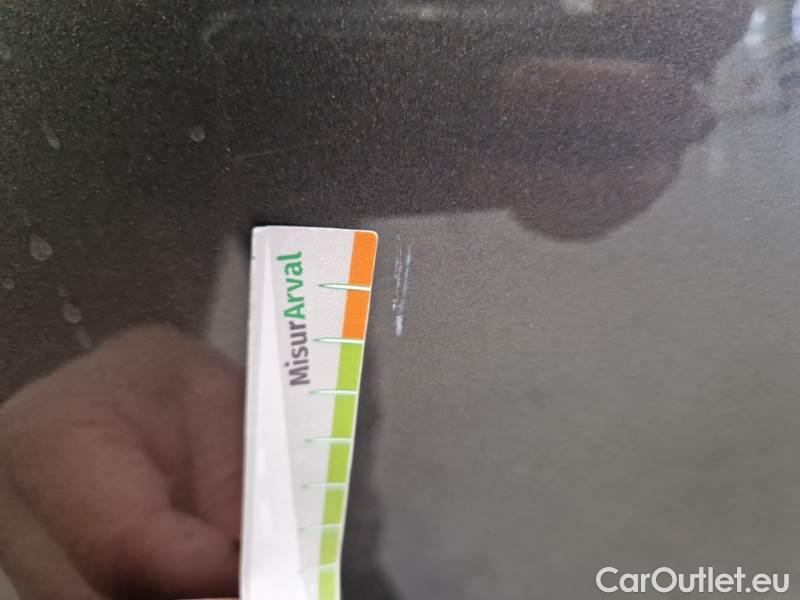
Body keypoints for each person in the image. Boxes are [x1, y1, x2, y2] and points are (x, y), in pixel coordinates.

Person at [0, 1, 754, 598]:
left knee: (298, 313)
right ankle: (279, 541)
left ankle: (318, 548)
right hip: (144, 85)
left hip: (283, 86)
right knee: (120, 382)